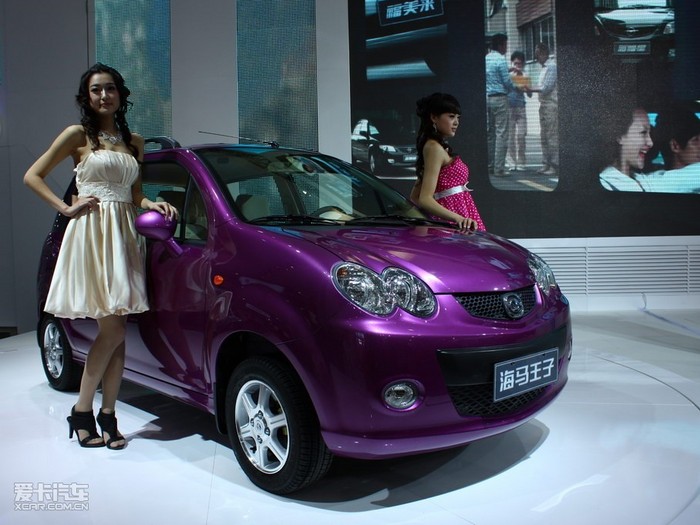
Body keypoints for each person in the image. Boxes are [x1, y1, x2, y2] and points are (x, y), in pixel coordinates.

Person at [23, 63, 179, 449]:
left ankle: (108, 416)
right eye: (96, 90)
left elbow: (135, 193)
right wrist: (66, 207)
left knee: (118, 330)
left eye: (110, 88)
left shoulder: (134, 141)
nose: (104, 95)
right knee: (113, 331)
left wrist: (153, 203)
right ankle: (82, 410)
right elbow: (32, 175)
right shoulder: (77, 135)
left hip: (124, 235)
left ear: (121, 94)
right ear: (87, 97)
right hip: (92, 234)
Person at [410, 93, 485, 231]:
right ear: (434, 117)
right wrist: (458, 218)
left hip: (460, 217)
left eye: (458, 117)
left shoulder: (437, 147)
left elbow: (415, 196)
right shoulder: (433, 148)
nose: (456, 122)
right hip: (454, 223)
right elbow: (424, 199)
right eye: (451, 116)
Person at [485, 33, 519, 177]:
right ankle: (499, 168)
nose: (506, 47)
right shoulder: (500, 59)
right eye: (505, 44)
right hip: (500, 98)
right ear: (500, 45)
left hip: (488, 98)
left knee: (491, 133)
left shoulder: (486, 58)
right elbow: (507, 82)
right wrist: (516, 87)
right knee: (502, 133)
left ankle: (490, 165)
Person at [599, 105, 654, 191]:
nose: (650, 143)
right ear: (620, 137)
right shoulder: (607, 184)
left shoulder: (642, 179)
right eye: (643, 132)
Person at [530, 42, 558, 176]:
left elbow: (546, 87)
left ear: (544, 53)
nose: (536, 58)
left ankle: (554, 165)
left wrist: (530, 88)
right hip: (543, 104)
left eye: (537, 55)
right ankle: (546, 163)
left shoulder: (552, 67)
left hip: (551, 105)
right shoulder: (543, 68)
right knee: (544, 136)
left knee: (552, 136)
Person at [506, 51, 531, 172]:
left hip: (521, 107)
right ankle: (511, 162)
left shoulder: (525, 75)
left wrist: (526, 86)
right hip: (509, 107)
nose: (517, 65)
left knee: (521, 135)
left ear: (523, 64)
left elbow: (530, 94)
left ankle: (521, 162)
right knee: (510, 136)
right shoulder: (508, 75)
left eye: (519, 63)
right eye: (515, 63)